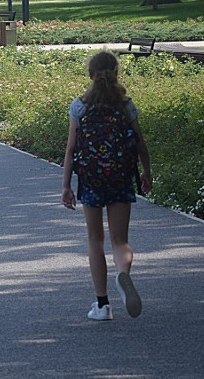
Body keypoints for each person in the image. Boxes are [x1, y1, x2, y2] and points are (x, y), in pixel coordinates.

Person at [61, 51, 152, 321]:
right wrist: (146, 173)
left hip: (91, 179)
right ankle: (123, 274)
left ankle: (102, 306)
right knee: (120, 240)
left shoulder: (79, 106)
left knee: (95, 239)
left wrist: (66, 186)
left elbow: (70, 150)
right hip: (121, 177)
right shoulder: (126, 105)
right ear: (117, 73)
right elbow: (140, 143)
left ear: (90, 75)